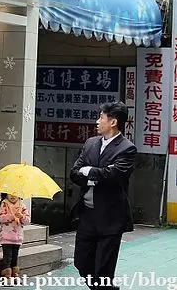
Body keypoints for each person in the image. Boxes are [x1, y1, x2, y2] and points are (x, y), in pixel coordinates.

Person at [70, 101, 137, 290]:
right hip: (88, 215)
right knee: (81, 262)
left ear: (113, 122)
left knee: (103, 270)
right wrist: (94, 177)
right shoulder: (90, 143)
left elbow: (113, 175)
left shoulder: (127, 148)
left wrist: (89, 171)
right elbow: (74, 173)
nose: (97, 121)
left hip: (110, 218)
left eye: (101, 117)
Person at [0, 193, 30, 280]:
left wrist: (22, 216)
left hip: (17, 237)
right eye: (10, 193)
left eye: (15, 194)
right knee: (7, 256)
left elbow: (27, 221)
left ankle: (14, 273)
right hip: (6, 236)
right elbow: (1, 218)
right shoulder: (4, 204)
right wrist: (12, 216)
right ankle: (7, 274)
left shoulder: (22, 206)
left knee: (15, 256)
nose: (13, 196)